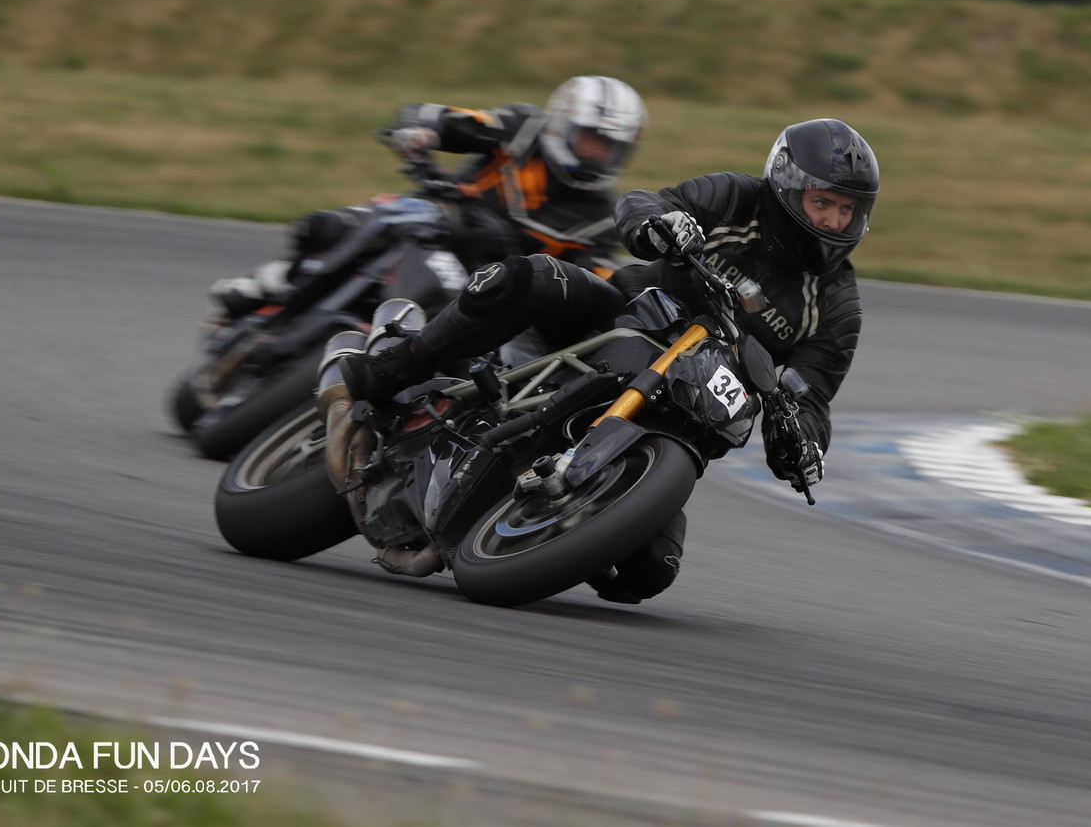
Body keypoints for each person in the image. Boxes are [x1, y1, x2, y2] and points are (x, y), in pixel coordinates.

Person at [342, 118, 879, 604]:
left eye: (847, 209)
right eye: (823, 203)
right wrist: (655, 225)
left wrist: (804, 443)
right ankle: (397, 365)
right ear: (787, 187)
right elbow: (647, 202)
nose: (834, 221)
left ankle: (537, 526)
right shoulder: (736, 197)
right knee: (529, 276)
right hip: (615, 320)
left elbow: (812, 395)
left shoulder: (837, 305)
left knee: (648, 573)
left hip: (686, 409)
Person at [207, 76, 649, 318]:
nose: (595, 152)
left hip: (482, 279)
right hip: (438, 216)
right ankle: (272, 282)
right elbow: (446, 118)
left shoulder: (602, 216)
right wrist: (422, 132)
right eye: (590, 138)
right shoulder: (522, 129)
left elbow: (598, 275)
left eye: (608, 146)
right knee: (333, 225)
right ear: (562, 123)